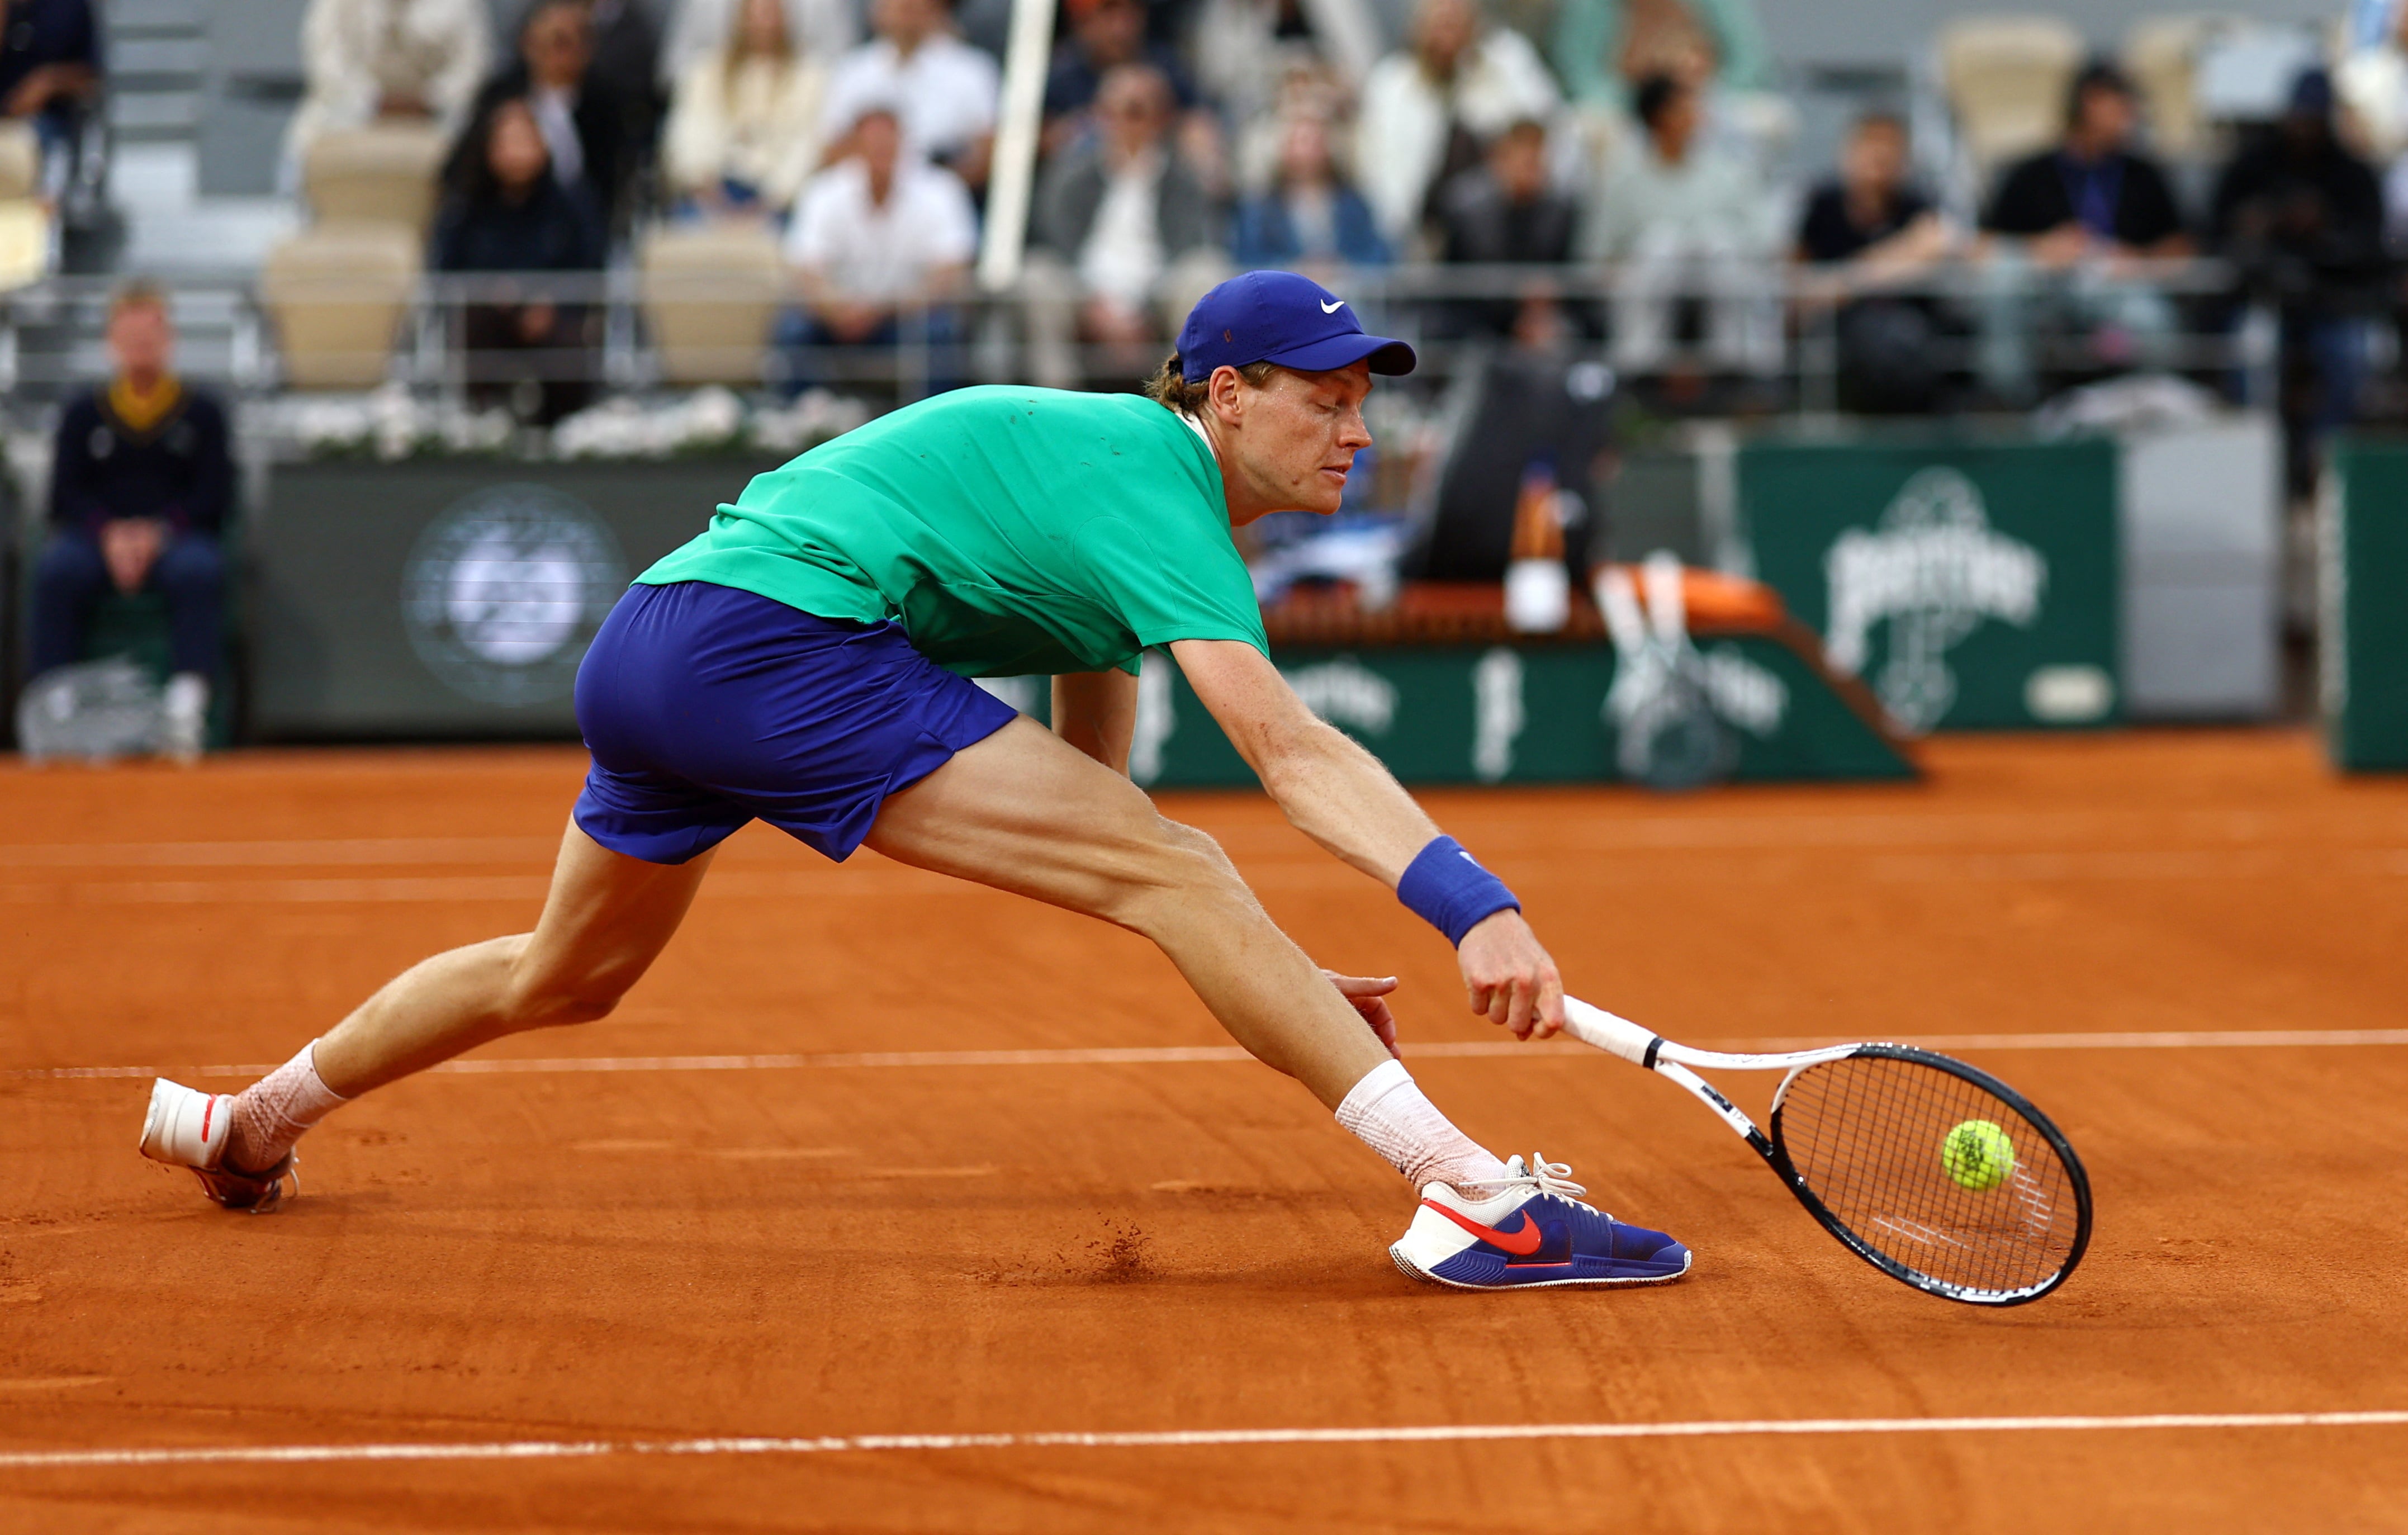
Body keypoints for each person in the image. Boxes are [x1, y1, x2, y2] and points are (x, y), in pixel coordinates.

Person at [139, 268, 1693, 1296]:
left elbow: (1095, 802)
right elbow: (1274, 756)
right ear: (1220, 395)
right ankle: (1473, 1196)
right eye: (1321, 394)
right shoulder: (1156, 474)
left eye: (1366, 398)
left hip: (656, 643)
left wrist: (1254, 963)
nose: (1358, 427)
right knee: (1186, 870)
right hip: (772, 644)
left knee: (563, 974)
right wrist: (1471, 908)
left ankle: (247, 1124)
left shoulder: (1124, 500)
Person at [28, 283, 233, 762]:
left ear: (169, 340)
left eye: (152, 335)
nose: (142, 345)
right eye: (131, 335)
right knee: (57, 570)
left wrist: (157, 534)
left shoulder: (204, 414)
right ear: (111, 342)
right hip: (96, 541)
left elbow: (214, 496)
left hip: (175, 541)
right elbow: (64, 495)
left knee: (199, 571)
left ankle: (186, 708)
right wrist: (110, 534)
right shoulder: (82, 413)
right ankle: (55, 706)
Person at [2210, 69, 2387, 496]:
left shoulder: (2351, 173)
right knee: (2250, 356)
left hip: (2331, 301)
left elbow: (2370, 247)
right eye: (2298, 117)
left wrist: (2324, 227)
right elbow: (2217, 232)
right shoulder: (2254, 164)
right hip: (2264, 298)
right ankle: (2260, 464)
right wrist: (2265, 220)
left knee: (2356, 354)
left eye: (2313, 119)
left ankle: (2320, 458)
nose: (2304, 127)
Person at [1975, 61, 2191, 404]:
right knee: (2003, 280)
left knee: (2152, 321)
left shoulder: (2144, 175)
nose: (2129, 114)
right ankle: (2011, 406)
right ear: (2087, 104)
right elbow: (1982, 245)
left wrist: (2135, 259)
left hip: (2117, 288)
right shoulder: (2031, 173)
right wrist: (2042, 248)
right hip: (2046, 284)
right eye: (2119, 104)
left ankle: (2149, 410)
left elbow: (2182, 248)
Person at [1025, 64, 1227, 390]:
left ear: (1161, 118)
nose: (1125, 123)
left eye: (1138, 111)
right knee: (1037, 277)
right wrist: (1096, 305)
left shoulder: (1183, 179)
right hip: (1085, 291)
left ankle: (1177, 400)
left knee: (1205, 273)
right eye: (1115, 112)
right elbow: (1055, 241)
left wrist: (1142, 309)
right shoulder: (1071, 174)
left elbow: (1190, 245)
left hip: (1158, 292)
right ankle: (1054, 403)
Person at [1580, 70, 1779, 382]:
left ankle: (1735, 364)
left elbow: (1762, 244)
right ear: (1660, 118)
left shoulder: (1730, 174)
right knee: (1660, 244)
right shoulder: (1622, 181)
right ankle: (1641, 366)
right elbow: (1598, 258)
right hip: (1648, 303)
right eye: (1686, 108)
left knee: (1719, 244)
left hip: (1718, 293)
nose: (1698, 116)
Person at [432, 94, 608, 424]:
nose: (517, 152)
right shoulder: (467, 208)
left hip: (554, 316)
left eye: (525, 140)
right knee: (475, 326)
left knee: (571, 343)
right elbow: (446, 270)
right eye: (507, 142)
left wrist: (550, 302)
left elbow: (590, 265)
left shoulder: (570, 205)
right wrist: (493, 292)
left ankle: (567, 426)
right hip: (491, 317)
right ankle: (482, 422)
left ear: (543, 146)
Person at [776, 102, 974, 390]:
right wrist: (837, 308)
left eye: (888, 142)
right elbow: (807, 270)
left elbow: (950, 271)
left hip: (906, 316)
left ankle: (933, 427)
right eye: (872, 144)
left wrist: (882, 309)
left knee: (940, 332)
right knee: (793, 329)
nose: (881, 151)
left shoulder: (941, 190)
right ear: (855, 147)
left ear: (903, 143)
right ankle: (803, 421)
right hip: (839, 316)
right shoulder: (823, 191)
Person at [1353, 0, 1559, 253]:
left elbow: (1543, 130)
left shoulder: (1507, 67)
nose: (1447, 34)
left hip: (1499, 222)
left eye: (1456, 22)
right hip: (1418, 229)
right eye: (1439, 23)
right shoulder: (1391, 85)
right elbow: (1377, 170)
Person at [1792, 111, 1956, 412]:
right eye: (1871, 144)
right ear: (1849, 152)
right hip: (1841, 330)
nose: (1880, 155)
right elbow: (1799, 282)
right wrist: (1895, 260)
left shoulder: (1917, 202)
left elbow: (1935, 245)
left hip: (1910, 326)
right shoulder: (1823, 206)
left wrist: (1846, 281)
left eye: (1890, 146)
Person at [452, 0, 634, 226]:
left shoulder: (602, 105)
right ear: (528, 44)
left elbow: (612, 183)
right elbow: (462, 171)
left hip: (576, 229)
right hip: (502, 223)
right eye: (552, 42)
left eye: (571, 43)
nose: (560, 55)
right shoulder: (501, 96)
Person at [660, 0, 827, 217]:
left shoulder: (810, 78)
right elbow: (690, 134)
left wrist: (774, 200)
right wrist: (709, 191)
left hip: (777, 200)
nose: (764, 24)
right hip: (713, 193)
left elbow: (807, 146)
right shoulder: (706, 72)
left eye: (771, 14)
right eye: (756, 15)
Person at [285, 0, 491, 172]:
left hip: (436, 125)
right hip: (342, 123)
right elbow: (327, 62)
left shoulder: (462, 5)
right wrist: (375, 101)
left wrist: (430, 100)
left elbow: (472, 66)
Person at [818, 0, 999, 193]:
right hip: (866, 197)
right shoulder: (852, 70)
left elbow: (988, 153)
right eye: (898, 6)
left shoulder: (972, 70)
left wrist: (942, 188)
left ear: (935, 10)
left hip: (947, 196)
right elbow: (832, 150)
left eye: (915, 7)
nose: (906, 15)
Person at [1435, 115, 1578, 338]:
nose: (1533, 171)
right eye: (1526, 161)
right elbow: (1462, 277)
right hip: (1474, 315)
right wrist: (1518, 294)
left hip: (1539, 316)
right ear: (1501, 159)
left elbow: (1564, 268)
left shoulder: (1559, 210)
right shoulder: (1466, 207)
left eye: (1537, 161)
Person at [1230, 110, 1390, 274]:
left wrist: (1342, 267)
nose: (1307, 153)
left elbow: (1376, 252)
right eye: (1300, 142)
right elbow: (1248, 257)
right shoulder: (1261, 208)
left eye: (1315, 143)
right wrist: (1294, 269)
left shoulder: (1353, 203)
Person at [0, 0, 99, 183]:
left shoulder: (69, 8)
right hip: (6, 116)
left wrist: (47, 82)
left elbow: (91, 76)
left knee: (25, 149)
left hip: (44, 118)